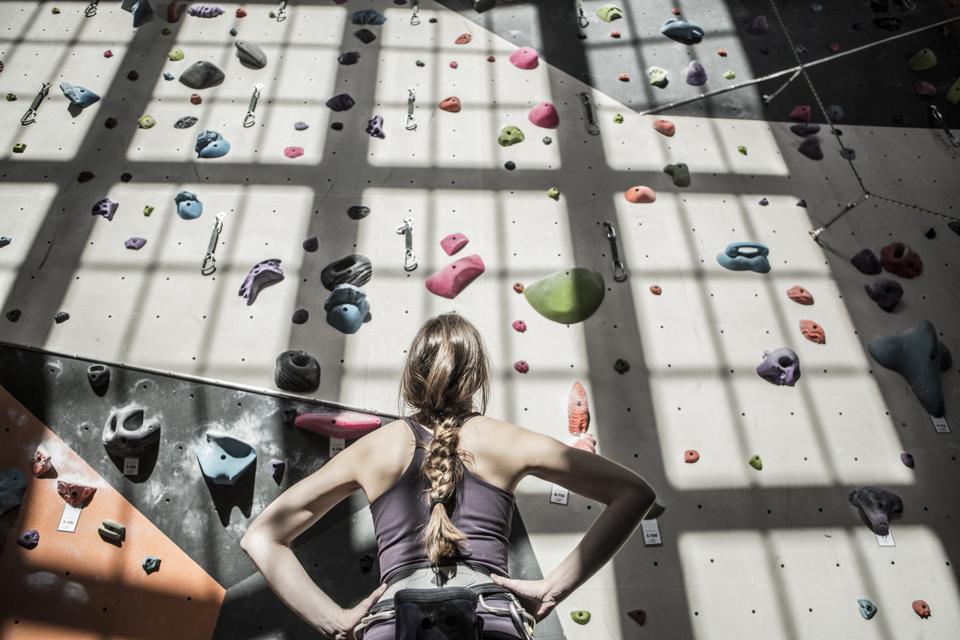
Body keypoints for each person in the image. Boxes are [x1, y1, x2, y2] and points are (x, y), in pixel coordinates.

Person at [241, 313, 657, 639]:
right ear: (476, 377)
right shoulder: (508, 440)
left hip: (392, 624)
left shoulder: (373, 448)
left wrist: (334, 621)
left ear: (412, 378)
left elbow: (261, 537)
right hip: (490, 620)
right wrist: (551, 589)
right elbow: (633, 493)